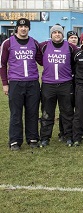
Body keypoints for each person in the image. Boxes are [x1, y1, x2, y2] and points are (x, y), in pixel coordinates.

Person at [0, 18, 42, 150]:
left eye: (26, 27)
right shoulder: (7, 43)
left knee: (32, 111)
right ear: (17, 28)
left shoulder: (34, 43)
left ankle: (33, 138)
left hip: (32, 82)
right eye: (21, 26)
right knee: (16, 113)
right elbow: (2, 64)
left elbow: (42, 60)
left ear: (29, 28)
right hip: (16, 82)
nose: (23, 29)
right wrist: (5, 84)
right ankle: (15, 141)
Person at [36, 24, 75, 147]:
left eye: (59, 32)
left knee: (67, 112)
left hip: (65, 84)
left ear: (63, 35)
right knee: (47, 113)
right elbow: (38, 57)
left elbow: (78, 59)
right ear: (51, 34)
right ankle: (45, 137)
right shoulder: (44, 46)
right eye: (54, 32)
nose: (57, 34)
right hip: (48, 84)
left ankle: (68, 136)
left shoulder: (70, 47)